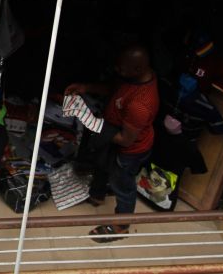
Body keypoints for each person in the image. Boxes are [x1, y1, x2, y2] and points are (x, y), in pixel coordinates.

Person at [65, 45, 159, 243]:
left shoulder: (140, 105)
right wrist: (86, 87)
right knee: (103, 164)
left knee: (122, 183)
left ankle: (120, 226)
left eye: (122, 69)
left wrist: (93, 123)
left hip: (131, 149)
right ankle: (97, 196)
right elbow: (116, 89)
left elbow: (126, 139)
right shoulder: (135, 77)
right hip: (115, 131)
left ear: (137, 70)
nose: (118, 71)